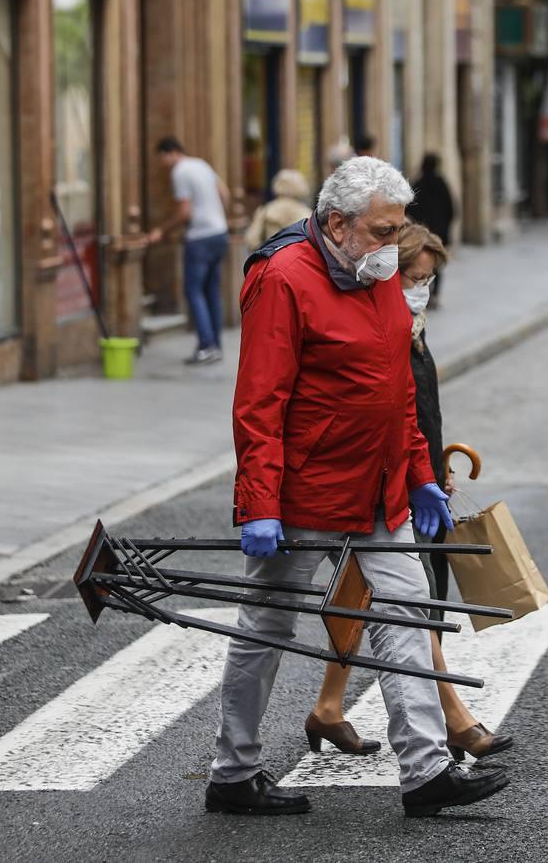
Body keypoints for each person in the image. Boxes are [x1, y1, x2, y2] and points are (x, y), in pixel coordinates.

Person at [208, 156, 509, 818]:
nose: (391, 244)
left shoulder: (378, 274)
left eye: (398, 228)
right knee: (267, 624)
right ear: (337, 224)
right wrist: (258, 503)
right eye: (380, 230)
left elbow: (397, 389)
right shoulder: (284, 278)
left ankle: (427, 772)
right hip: (307, 490)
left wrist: (422, 475)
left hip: (379, 486)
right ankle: (233, 773)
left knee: (405, 612)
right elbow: (259, 401)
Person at [305, 222, 513, 765]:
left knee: (363, 595)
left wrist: (431, 473)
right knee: (407, 604)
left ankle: (328, 707)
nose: (420, 288)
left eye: (428, 279)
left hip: (411, 484)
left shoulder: (411, 326)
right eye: (414, 277)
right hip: (376, 488)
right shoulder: (378, 329)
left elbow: (419, 413)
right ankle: (457, 721)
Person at [148, 136, 231, 364]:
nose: (162, 164)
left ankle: (206, 345)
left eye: (162, 158)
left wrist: (161, 231)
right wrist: (215, 215)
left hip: (200, 238)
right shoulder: (202, 164)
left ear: (171, 153)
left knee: (193, 291)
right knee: (212, 291)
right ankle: (216, 344)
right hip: (219, 232)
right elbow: (225, 194)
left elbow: (184, 211)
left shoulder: (180, 172)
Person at [405, 154, 454, 308]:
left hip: (420, 233)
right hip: (438, 233)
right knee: (436, 265)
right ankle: (435, 294)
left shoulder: (417, 184)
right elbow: (451, 210)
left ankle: (422, 291)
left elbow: (408, 210)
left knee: (420, 264)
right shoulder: (441, 184)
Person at [244, 169, 312, 249]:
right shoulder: (305, 212)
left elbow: (251, 239)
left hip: (271, 256)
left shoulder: (266, 210)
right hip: (296, 257)